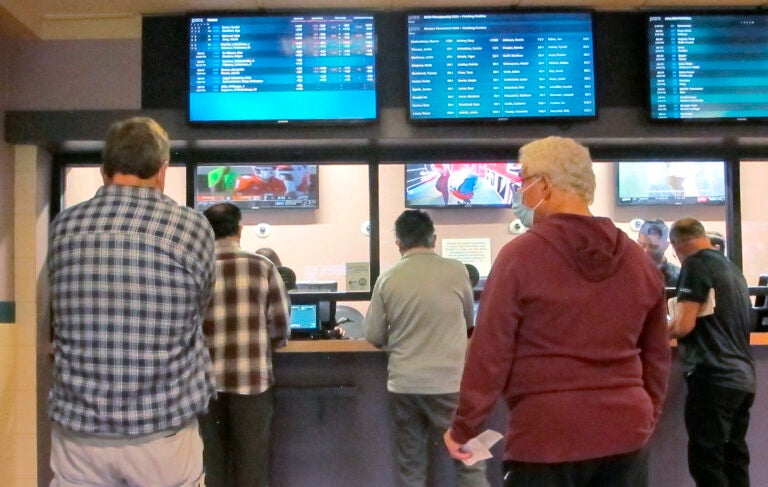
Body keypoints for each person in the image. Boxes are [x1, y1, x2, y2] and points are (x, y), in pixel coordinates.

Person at [443, 136, 670, 487]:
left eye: (522, 184)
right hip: (627, 432)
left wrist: (464, 428)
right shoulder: (640, 263)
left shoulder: (520, 257)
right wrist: (646, 416)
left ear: (545, 186)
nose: (519, 194)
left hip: (545, 435)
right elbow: (657, 357)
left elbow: (490, 353)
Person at [47, 116, 216, 486]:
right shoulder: (190, 227)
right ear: (162, 171)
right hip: (163, 434)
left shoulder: (64, 227)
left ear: (104, 171)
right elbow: (198, 308)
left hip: (81, 437)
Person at [364, 209, 489, 487]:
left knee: (412, 467)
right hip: (451, 384)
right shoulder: (457, 270)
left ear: (399, 243)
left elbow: (373, 334)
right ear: (434, 237)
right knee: (470, 461)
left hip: (404, 385)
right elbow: (470, 323)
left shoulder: (387, 278)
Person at [200, 203, 291, 487]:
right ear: (240, 230)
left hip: (203, 385)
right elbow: (280, 326)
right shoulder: (262, 267)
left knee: (209, 468)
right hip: (252, 383)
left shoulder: (194, 268)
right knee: (252, 468)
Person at [668, 218, 755, 487]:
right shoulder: (730, 267)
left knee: (707, 461)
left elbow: (683, 325)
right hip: (742, 379)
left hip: (712, 376)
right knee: (734, 458)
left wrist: (649, 333)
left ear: (676, 246)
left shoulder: (694, 264)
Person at [637, 218, 680, 287]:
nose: (646, 251)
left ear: (666, 245)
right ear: (638, 243)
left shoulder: (679, 277)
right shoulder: (628, 274)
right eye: (642, 245)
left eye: (653, 247)